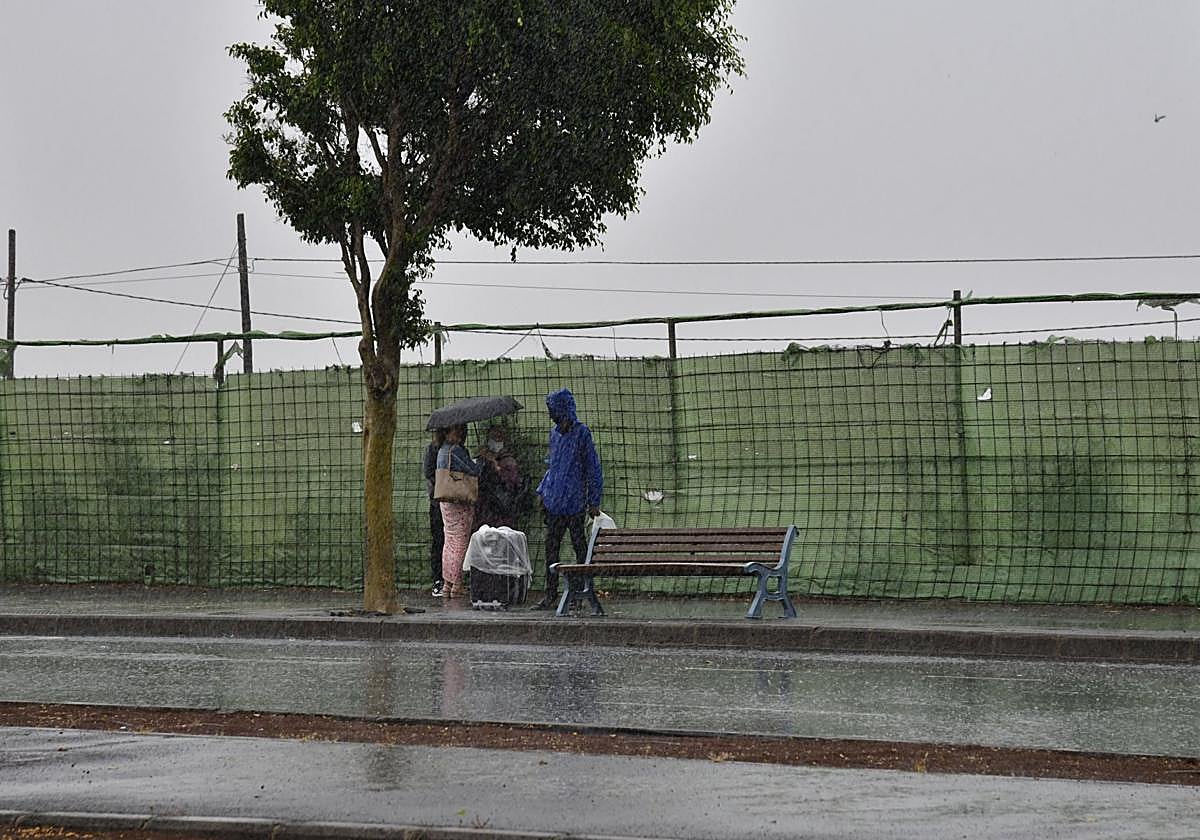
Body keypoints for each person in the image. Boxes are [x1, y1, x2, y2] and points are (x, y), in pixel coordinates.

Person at [532, 388, 603, 610]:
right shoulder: (555, 434)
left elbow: (593, 468)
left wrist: (593, 500)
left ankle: (580, 592)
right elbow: (553, 467)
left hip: (574, 502)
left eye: (553, 410)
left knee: (579, 547)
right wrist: (543, 490)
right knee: (551, 548)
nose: (551, 414)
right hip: (555, 501)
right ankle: (551, 594)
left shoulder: (581, 434)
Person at [436, 423, 482, 598]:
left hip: (445, 500)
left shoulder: (442, 450)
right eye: (457, 430)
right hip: (459, 500)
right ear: (448, 432)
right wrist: (481, 459)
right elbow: (473, 470)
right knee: (460, 542)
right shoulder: (455, 450)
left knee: (449, 541)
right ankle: (457, 584)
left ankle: (447, 584)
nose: (460, 434)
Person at [474, 425, 529, 531]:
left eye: (499, 437)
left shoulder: (509, 462)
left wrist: (496, 468)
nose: (496, 441)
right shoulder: (482, 459)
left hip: (502, 510)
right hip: (484, 510)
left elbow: (510, 486)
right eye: (493, 437)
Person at [422, 428, 447, 596]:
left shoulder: (457, 449)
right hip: (438, 501)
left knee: (446, 541)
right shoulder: (433, 450)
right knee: (440, 540)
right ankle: (439, 579)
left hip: (444, 499)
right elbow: (429, 473)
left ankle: (448, 579)